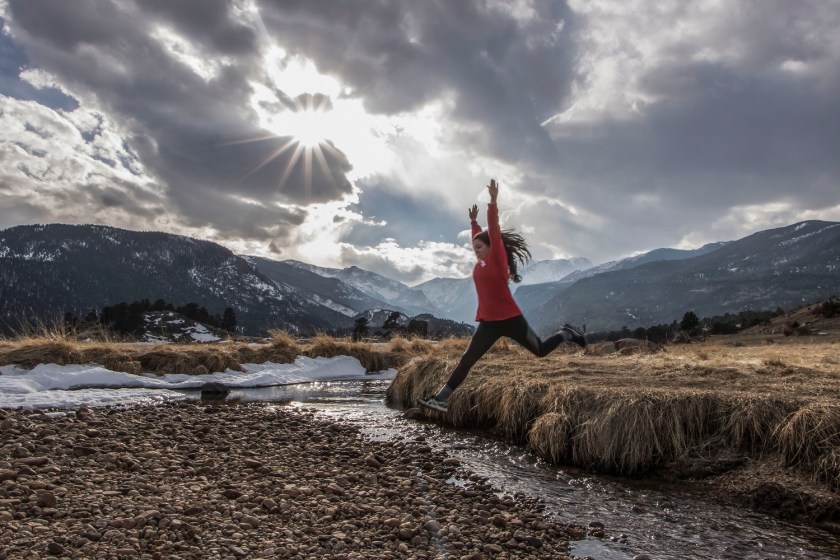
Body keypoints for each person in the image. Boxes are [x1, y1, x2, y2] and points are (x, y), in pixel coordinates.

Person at [419, 179, 586, 413]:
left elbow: (493, 231)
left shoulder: (497, 259)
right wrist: (473, 222)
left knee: (540, 351)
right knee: (468, 359)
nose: (475, 250)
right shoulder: (482, 262)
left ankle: (565, 333)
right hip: (488, 324)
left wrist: (493, 202)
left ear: (492, 246)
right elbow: (479, 237)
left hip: (511, 319)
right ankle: (441, 399)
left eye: (479, 247)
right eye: (474, 247)